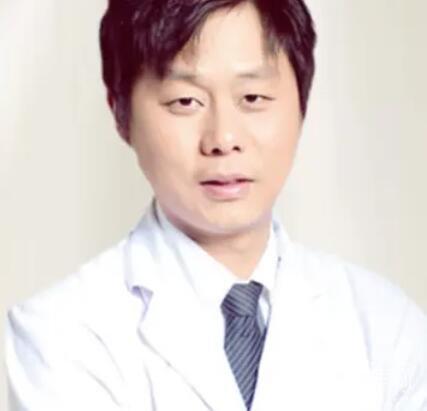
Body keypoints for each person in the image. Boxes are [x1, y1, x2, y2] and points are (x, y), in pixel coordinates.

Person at [5, 0, 427, 410]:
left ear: (302, 103)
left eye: (253, 98)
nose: (224, 139)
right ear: (120, 113)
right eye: (185, 102)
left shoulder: (386, 325)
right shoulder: (58, 333)